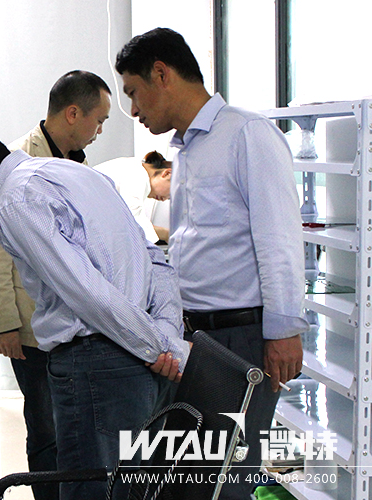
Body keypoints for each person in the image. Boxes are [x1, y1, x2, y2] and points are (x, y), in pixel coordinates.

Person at [0, 113, 188, 500]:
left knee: (92, 490)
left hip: (98, 365)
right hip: (141, 362)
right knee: (133, 489)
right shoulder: (75, 174)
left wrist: (159, 347)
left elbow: (86, 291)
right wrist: (166, 336)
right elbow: (153, 257)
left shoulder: (15, 202)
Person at [116, 27, 308, 499]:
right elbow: (189, 245)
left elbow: (280, 239)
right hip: (194, 336)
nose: (134, 110)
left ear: (161, 74)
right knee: (189, 478)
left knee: (225, 481)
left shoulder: (246, 135)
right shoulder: (186, 148)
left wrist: (284, 330)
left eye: (134, 93)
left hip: (242, 337)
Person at [0, 70, 111, 500]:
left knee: (77, 427)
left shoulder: (78, 163)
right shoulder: (15, 162)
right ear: (73, 113)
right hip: (32, 328)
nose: (99, 130)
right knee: (45, 427)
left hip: (76, 324)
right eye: (98, 120)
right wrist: (4, 322)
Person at [95, 150, 172, 243]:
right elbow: (133, 226)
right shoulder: (136, 176)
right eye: (171, 194)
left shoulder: (134, 167)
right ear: (167, 174)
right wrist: (167, 234)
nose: (164, 199)